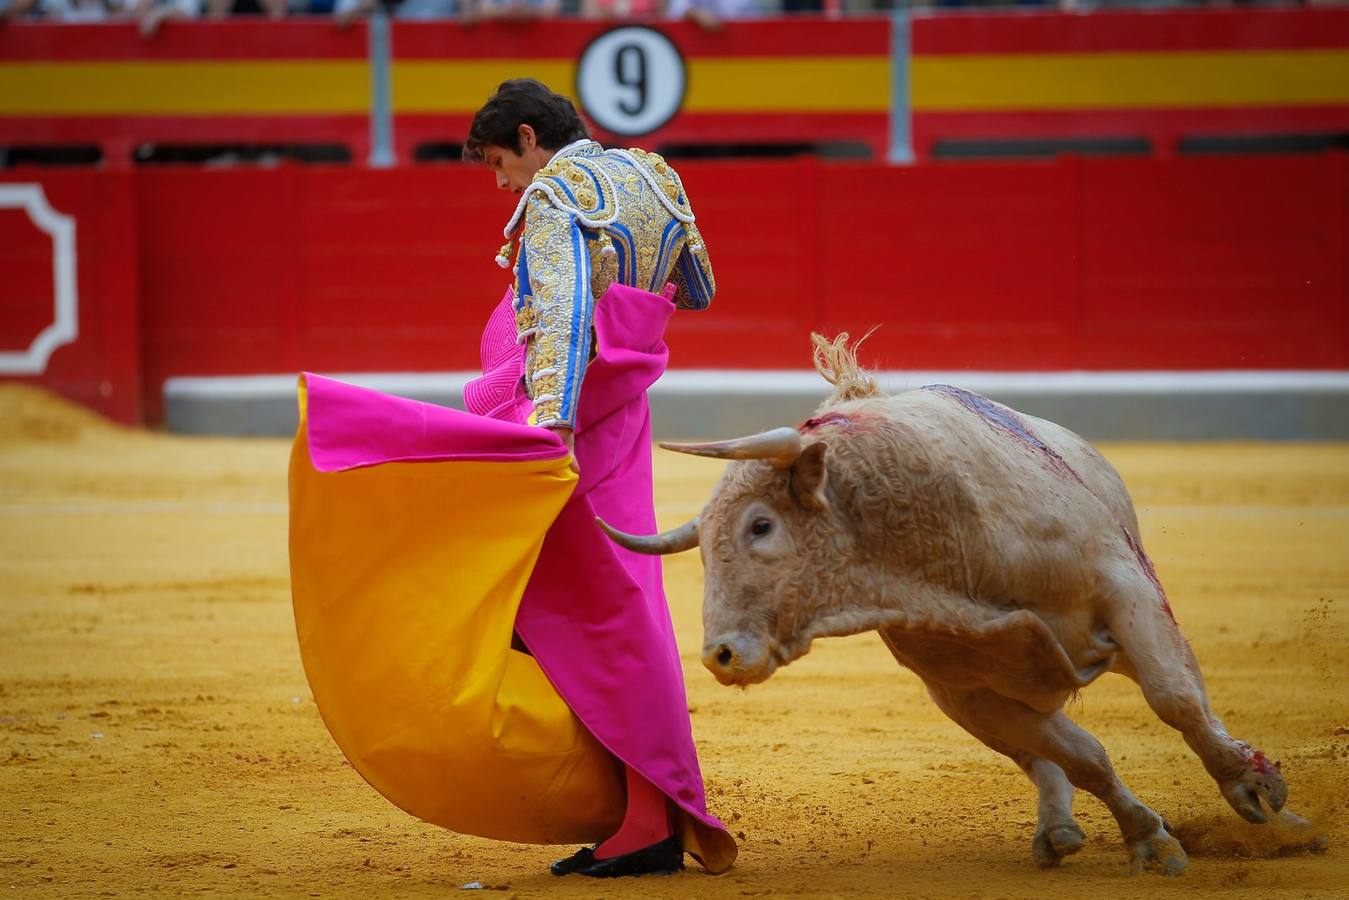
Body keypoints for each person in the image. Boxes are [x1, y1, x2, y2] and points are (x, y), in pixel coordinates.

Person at [460, 78, 733, 878]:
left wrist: (547, 434)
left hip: (574, 432)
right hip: (625, 423)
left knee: (587, 612)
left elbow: (570, 315)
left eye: (497, 163)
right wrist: (636, 308)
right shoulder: (653, 176)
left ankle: (638, 818)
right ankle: (638, 811)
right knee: (624, 605)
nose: (501, 183)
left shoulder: (555, 195)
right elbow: (701, 288)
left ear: (525, 137)